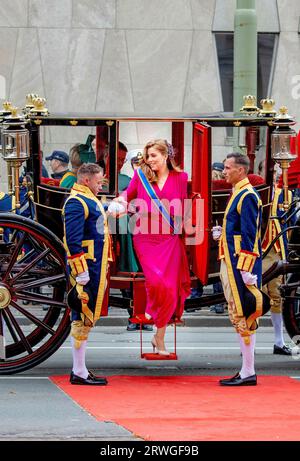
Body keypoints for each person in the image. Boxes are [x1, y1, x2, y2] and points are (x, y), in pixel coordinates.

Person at [113, 139, 190, 355]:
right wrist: (119, 204)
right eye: (147, 156)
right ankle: (150, 309)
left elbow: (183, 207)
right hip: (145, 236)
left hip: (169, 238)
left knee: (170, 289)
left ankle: (160, 338)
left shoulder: (181, 177)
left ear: (166, 156)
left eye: (153, 156)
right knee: (157, 281)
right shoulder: (140, 176)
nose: (149, 160)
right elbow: (127, 195)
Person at [213, 152, 269, 386]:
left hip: (240, 263)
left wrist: (247, 269)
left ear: (241, 170)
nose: (224, 171)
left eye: (228, 167)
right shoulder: (238, 193)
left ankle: (248, 371)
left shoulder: (246, 196)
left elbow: (249, 235)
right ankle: (247, 369)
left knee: (244, 313)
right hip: (233, 259)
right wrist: (222, 235)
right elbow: (237, 232)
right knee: (238, 312)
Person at [62, 163, 110, 385]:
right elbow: (72, 241)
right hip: (86, 267)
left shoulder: (86, 199)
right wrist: (81, 272)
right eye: (99, 182)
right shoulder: (76, 202)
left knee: (84, 316)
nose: (101, 186)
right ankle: (79, 371)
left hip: (93, 265)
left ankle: (80, 369)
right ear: (86, 181)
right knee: (81, 315)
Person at [262, 186, 294, 355]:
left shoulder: (286, 194)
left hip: (276, 249)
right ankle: (247, 341)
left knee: (276, 295)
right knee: (255, 295)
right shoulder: (255, 191)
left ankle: (278, 342)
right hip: (257, 249)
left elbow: (291, 221)